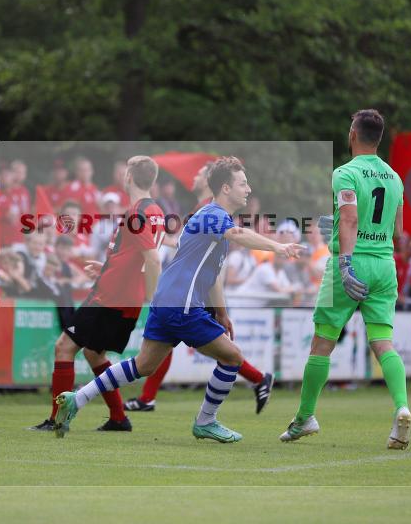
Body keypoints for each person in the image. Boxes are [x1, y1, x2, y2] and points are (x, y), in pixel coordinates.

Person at [53, 157, 302, 442]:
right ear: (224, 188)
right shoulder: (214, 214)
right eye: (243, 183)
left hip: (168, 301)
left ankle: (76, 400)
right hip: (182, 306)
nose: (249, 188)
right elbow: (239, 234)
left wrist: (220, 313)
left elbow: (211, 275)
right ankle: (206, 422)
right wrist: (278, 247)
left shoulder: (212, 217)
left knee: (143, 365)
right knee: (232, 357)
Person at [280, 109, 411, 450]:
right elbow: (398, 231)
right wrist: (336, 221)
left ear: (353, 133)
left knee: (323, 342)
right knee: (383, 342)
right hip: (384, 264)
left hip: (351, 262)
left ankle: (305, 418)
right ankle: (402, 409)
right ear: (378, 138)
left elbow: (351, 219)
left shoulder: (345, 173)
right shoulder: (395, 178)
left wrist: (346, 263)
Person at [123, 161, 277, 415]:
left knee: (216, 349)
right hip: (191, 286)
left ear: (211, 182)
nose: (194, 178)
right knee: (184, 343)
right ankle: (256, 380)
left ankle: (252, 383)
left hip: (193, 288)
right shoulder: (204, 208)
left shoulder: (210, 209)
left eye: (199, 174)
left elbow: (209, 263)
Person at [29, 155, 165, 433]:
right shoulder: (156, 211)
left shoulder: (138, 213)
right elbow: (137, 257)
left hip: (110, 296)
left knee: (63, 347)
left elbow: (152, 260)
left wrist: (155, 300)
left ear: (128, 177)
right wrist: (107, 267)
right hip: (122, 294)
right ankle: (118, 418)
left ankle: (58, 419)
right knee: (93, 353)